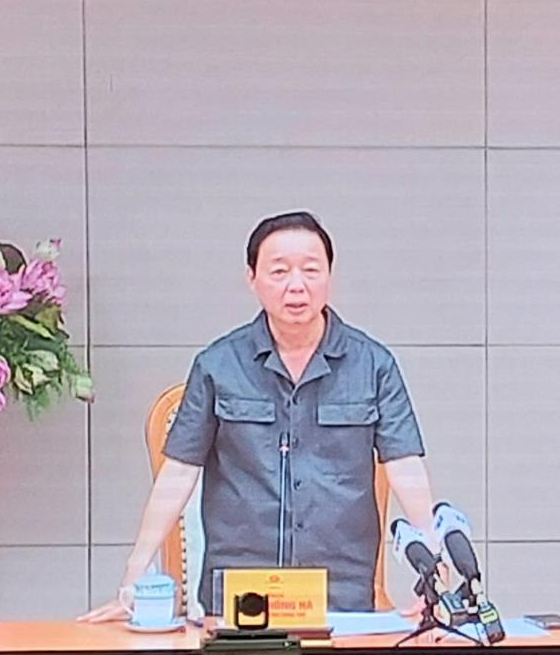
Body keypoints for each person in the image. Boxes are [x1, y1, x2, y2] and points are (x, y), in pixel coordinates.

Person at [80, 211, 446, 622]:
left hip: (340, 593)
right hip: (239, 592)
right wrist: (134, 575)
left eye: (311, 270)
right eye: (279, 271)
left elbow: (404, 465)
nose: (296, 285)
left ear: (329, 276)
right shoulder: (218, 365)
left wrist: (433, 566)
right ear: (251, 278)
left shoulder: (373, 365)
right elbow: (179, 471)